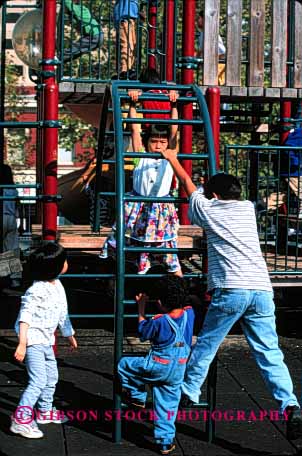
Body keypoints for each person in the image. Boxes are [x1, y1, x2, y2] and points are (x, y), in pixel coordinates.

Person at [157, 147, 302, 441]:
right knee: (269, 351)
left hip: (232, 288)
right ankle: (290, 405)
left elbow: (188, 187)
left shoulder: (209, 210)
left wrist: (172, 159)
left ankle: (188, 390)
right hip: (262, 289)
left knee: (208, 342)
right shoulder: (247, 208)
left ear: (213, 197)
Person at [101, 91, 182, 276]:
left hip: (160, 210)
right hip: (137, 210)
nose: (159, 146)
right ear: (147, 144)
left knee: (167, 251)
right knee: (128, 246)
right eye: (154, 142)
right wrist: (132, 104)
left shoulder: (169, 157)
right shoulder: (140, 156)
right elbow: (135, 129)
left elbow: (175, 131)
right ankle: (118, 278)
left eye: (162, 142)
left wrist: (174, 106)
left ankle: (181, 291)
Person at [118, 276, 195, 455]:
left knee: (124, 364)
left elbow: (143, 332)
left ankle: (137, 395)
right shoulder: (189, 314)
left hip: (158, 365)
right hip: (178, 369)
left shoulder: (159, 321)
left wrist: (141, 307)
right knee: (167, 406)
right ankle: (165, 442)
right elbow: (185, 305)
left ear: (159, 302)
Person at [10, 242, 77, 439]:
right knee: (38, 380)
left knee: (51, 377)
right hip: (32, 341)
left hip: (46, 340)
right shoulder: (36, 290)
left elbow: (63, 313)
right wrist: (22, 343)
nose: (66, 263)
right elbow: (25, 316)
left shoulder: (57, 284)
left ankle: (45, 410)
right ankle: (20, 420)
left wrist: (69, 334)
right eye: (63, 261)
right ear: (55, 267)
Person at [0, 164, 22, 289]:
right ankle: (14, 279)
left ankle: (3, 278)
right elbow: (17, 205)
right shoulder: (13, 189)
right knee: (11, 249)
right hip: (11, 218)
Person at [197, 11, 226, 85]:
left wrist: (211, 60)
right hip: (210, 64)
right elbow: (200, 50)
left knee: (217, 84)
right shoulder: (202, 34)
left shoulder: (211, 33)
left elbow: (222, 52)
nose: (197, 21)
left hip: (217, 65)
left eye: (199, 18)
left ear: (204, 20)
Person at [114, 0, 140, 78]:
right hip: (124, 18)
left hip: (131, 18)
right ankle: (124, 70)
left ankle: (128, 69)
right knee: (127, 45)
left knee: (133, 45)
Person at [280, 127, 302, 218]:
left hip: (295, 171)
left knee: (283, 195)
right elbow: (289, 148)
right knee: (300, 190)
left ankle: (264, 203)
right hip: (294, 171)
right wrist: (298, 163)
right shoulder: (299, 133)